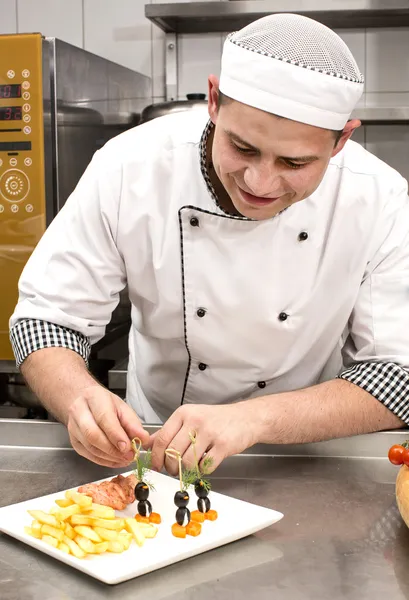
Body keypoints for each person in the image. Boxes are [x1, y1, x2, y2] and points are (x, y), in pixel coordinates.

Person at [9, 13, 409, 477]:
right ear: (214, 101)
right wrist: (79, 398)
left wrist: (255, 418)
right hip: (152, 449)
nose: (261, 182)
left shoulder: (377, 197)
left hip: (304, 458)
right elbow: (46, 319)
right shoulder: (129, 166)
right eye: (242, 148)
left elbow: (398, 375)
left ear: (341, 140)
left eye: (295, 162)